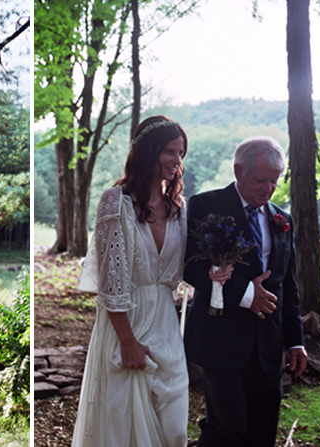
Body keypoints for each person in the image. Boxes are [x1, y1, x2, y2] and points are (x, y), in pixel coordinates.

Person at [73, 115, 231, 447]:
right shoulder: (115, 202)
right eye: (170, 152)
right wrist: (127, 341)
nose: (177, 161)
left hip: (165, 321)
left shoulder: (179, 207)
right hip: (126, 321)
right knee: (126, 422)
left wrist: (212, 273)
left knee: (173, 423)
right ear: (148, 152)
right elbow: (110, 281)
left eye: (181, 153)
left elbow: (185, 265)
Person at [183, 136, 308, 447]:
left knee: (262, 431)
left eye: (275, 182)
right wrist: (246, 295)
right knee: (227, 429)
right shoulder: (204, 206)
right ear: (238, 170)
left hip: (268, 343)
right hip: (220, 338)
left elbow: (287, 284)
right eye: (260, 179)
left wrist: (295, 341)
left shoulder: (283, 220)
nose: (268, 189)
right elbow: (191, 268)